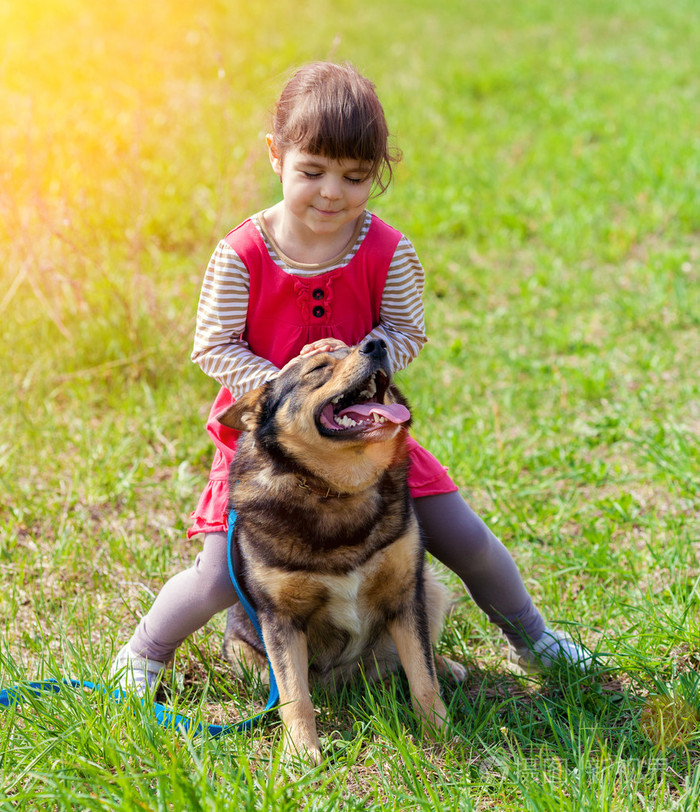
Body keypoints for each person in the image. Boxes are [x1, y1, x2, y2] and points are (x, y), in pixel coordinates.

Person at [111, 61, 591, 694]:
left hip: (363, 437)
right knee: (217, 576)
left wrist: (366, 363)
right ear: (276, 155)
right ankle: (144, 654)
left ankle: (534, 637)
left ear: (376, 173)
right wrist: (285, 389)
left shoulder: (387, 250)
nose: (332, 193)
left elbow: (407, 330)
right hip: (269, 445)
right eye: (311, 172)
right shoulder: (242, 254)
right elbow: (214, 345)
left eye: (355, 177)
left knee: (463, 537)